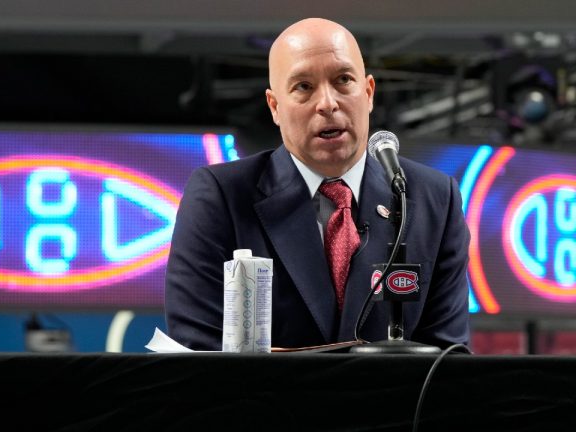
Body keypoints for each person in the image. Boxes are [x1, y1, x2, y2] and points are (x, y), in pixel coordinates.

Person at [164, 17, 470, 350]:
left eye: (343, 80)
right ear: (275, 107)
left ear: (368, 93)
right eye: (304, 87)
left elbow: (448, 360)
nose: (327, 102)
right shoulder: (220, 197)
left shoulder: (434, 198)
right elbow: (196, 355)